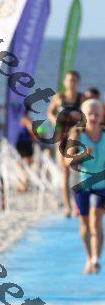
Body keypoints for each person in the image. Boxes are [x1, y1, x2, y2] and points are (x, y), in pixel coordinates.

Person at [68, 99, 105, 274]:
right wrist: (82, 155)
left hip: (102, 186)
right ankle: (89, 258)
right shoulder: (77, 134)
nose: (93, 117)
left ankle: (96, 259)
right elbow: (68, 161)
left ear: (101, 116)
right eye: (89, 114)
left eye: (96, 114)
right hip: (82, 184)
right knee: (84, 225)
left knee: (96, 220)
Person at [48, 70, 83, 217]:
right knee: (64, 173)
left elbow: (87, 116)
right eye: (69, 80)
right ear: (64, 82)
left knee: (75, 171)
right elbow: (50, 112)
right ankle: (68, 207)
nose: (71, 83)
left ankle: (77, 205)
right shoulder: (59, 97)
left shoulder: (82, 98)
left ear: (78, 82)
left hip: (76, 137)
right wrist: (55, 121)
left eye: (74, 80)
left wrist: (79, 124)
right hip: (61, 137)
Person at [15, 109, 35, 192]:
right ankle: (24, 184)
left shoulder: (17, 119)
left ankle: (23, 184)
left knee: (22, 164)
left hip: (20, 143)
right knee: (27, 164)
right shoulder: (26, 119)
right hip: (25, 143)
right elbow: (32, 131)